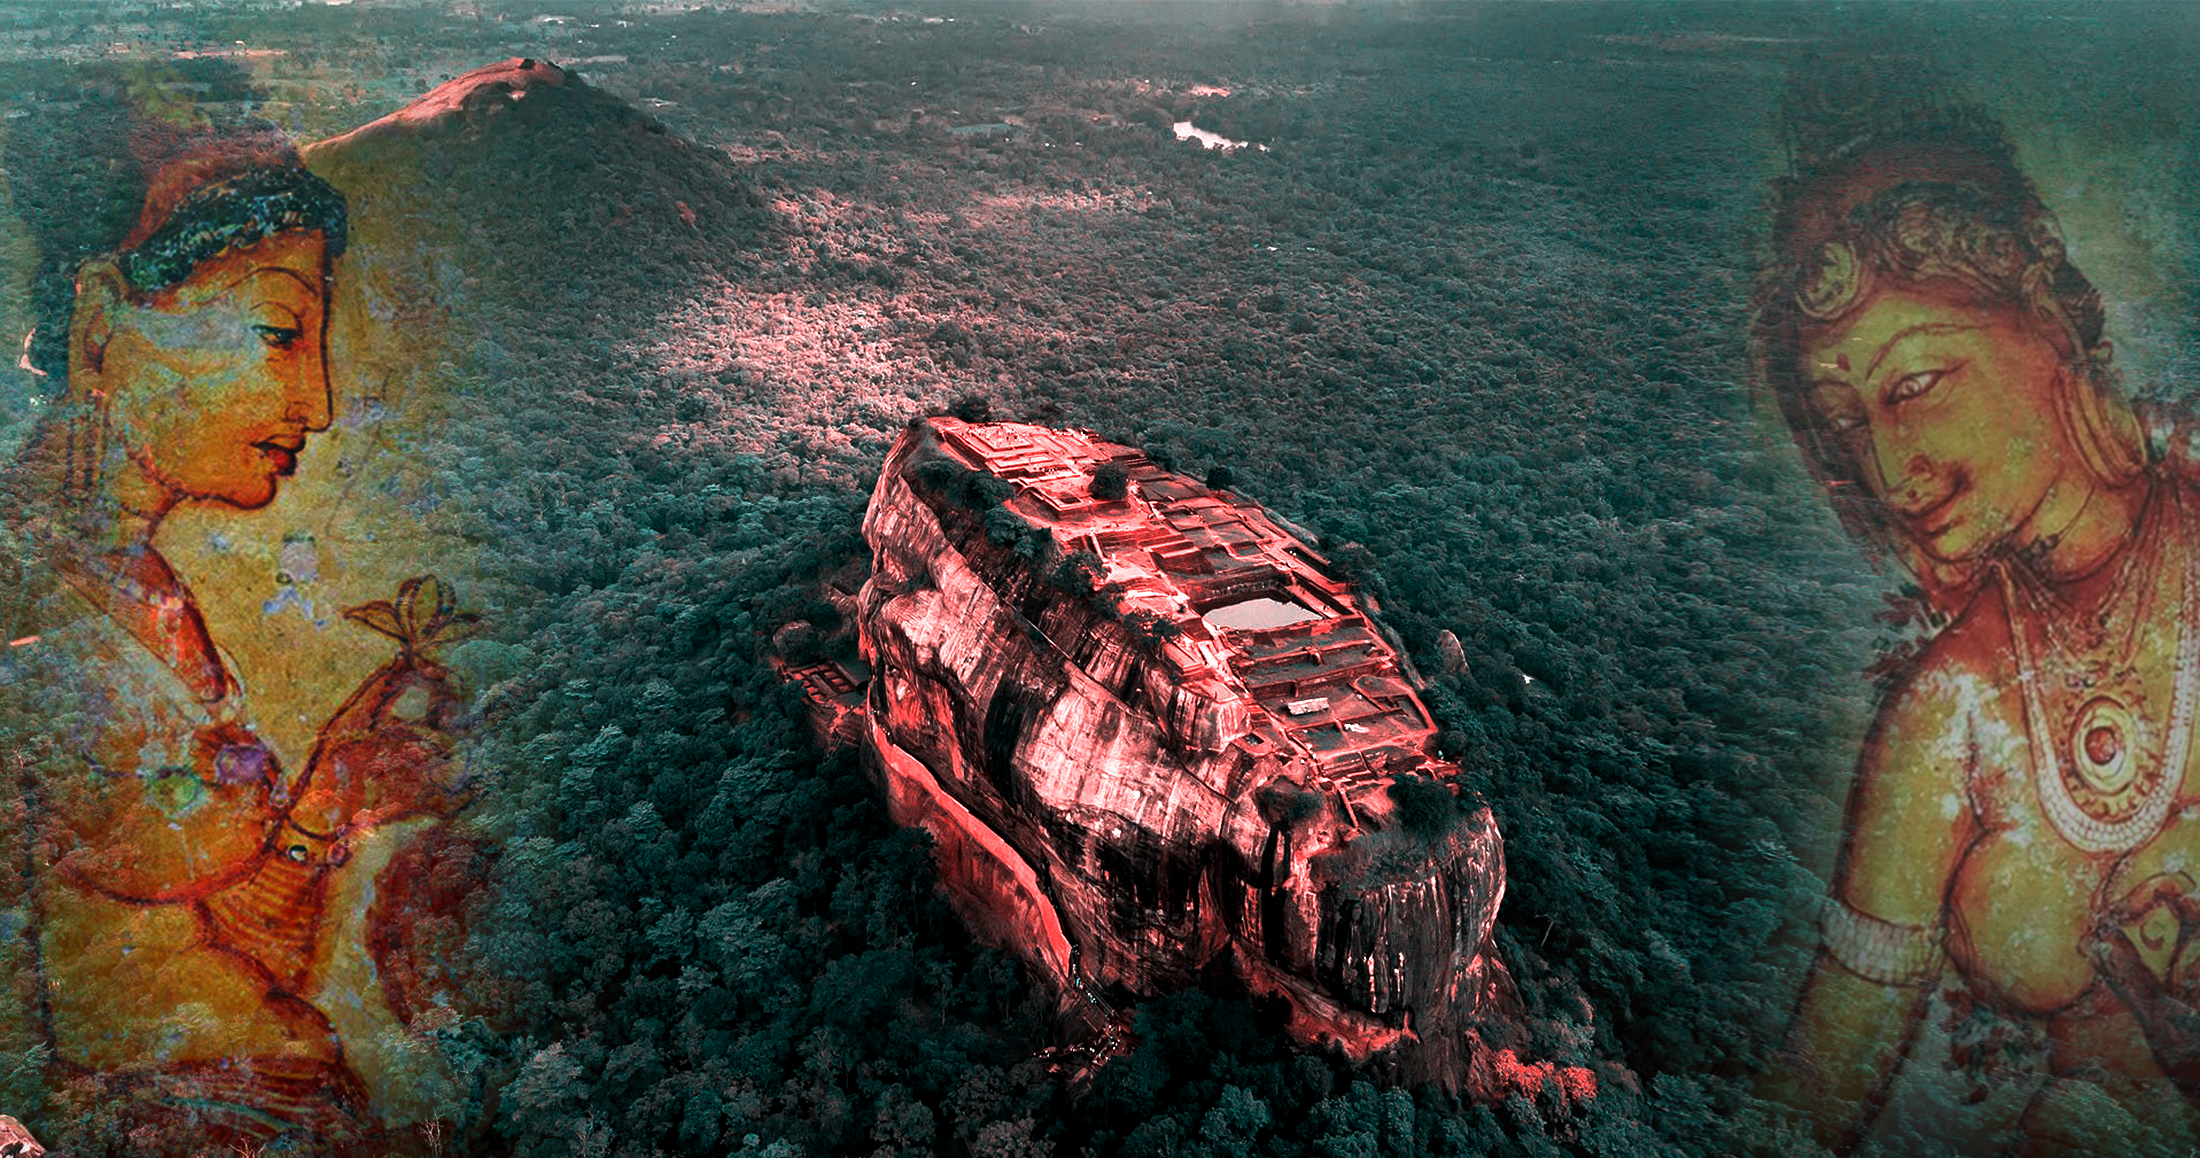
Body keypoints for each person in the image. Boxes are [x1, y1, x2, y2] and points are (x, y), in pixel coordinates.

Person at [0, 138, 470, 1153]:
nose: (320, 404)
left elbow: (165, 958)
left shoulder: (137, 591)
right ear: (100, 324)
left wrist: (320, 811)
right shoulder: (25, 609)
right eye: (277, 331)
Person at [1757, 80, 2200, 1156]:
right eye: (1847, 426)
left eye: (1911, 386)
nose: (1890, 470)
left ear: (2039, 311)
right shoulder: (1945, 714)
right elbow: (1807, 1109)